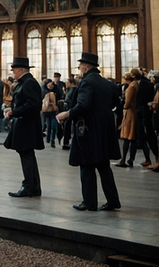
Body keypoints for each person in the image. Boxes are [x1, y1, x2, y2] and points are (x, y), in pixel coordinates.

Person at [56, 52, 121, 212]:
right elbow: (114, 102)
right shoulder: (106, 83)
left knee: (86, 165)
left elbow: (83, 105)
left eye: (80, 66)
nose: (78, 68)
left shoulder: (87, 83)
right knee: (104, 166)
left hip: (89, 129)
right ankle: (113, 200)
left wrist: (68, 113)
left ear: (86, 67)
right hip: (105, 129)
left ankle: (89, 202)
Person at [3, 57, 44, 197]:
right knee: (27, 155)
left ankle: (29, 186)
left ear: (21, 70)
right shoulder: (24, 83)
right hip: (24, 124)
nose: (13, 72)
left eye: (14, 70)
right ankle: (33, 186)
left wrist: (15, 111)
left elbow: (33, 104)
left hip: (27, 125)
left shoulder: (29, 83)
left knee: (26, 155)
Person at [116, 72, 138, 168]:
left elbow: (128, 102)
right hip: (132, 112)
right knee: (131, 137)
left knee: (127, 137)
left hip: (129, 113)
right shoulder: (135, 85)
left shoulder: (131, 87)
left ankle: (124, 159)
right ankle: (130, 159)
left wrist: (124, 106)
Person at [61, 77, 78, 150]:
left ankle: (66, 142)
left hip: (70, 110)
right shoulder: (71, 90)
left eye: (67, 83)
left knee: (68, 126)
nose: (66, 85)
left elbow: (69, 101)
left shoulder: (72, 91)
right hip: (70, 110)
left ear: (71, 83)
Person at [42, 81, 59, 147]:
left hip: (52, 111)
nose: (50, 86)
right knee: (49, 125)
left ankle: (51, 139)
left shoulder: (55, 92)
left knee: (53, 126)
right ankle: (49, 138)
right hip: (47, 111)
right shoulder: (44, 92)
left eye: (52, 84)